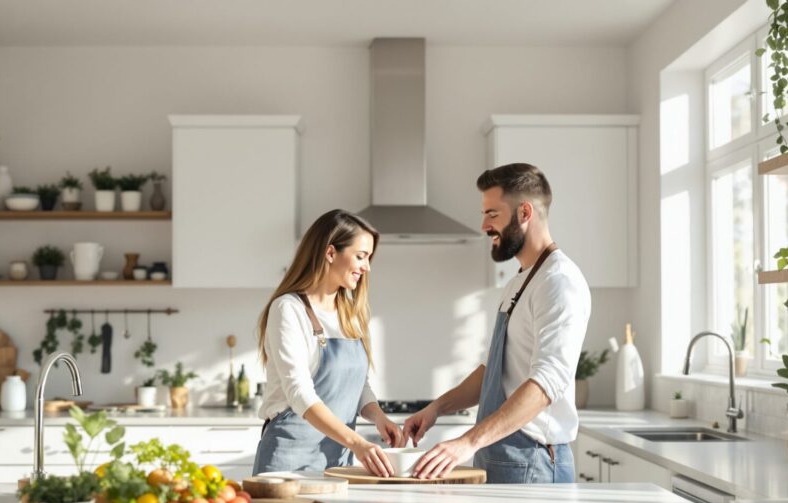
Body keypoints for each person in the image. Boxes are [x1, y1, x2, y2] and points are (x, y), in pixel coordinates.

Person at [403, 163, 590, 483]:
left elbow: (546, 383)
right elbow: (494, 371)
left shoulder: (558, 282)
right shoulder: (520, 281)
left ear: (524, 212)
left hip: (534, 460)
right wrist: (436, 408)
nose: (484, 226)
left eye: (492, 214)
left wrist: (467, 442)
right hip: (501, 453)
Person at [252, 209, 405, 477]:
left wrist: (379, 417)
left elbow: (358, 385)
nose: (367, 267)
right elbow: (299, 393)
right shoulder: (288, 309)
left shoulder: (350, 313)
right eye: (361, 256)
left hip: (336, 461)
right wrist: (357, 442)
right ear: (331, 253)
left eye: (368, 258)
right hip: (287, 462)